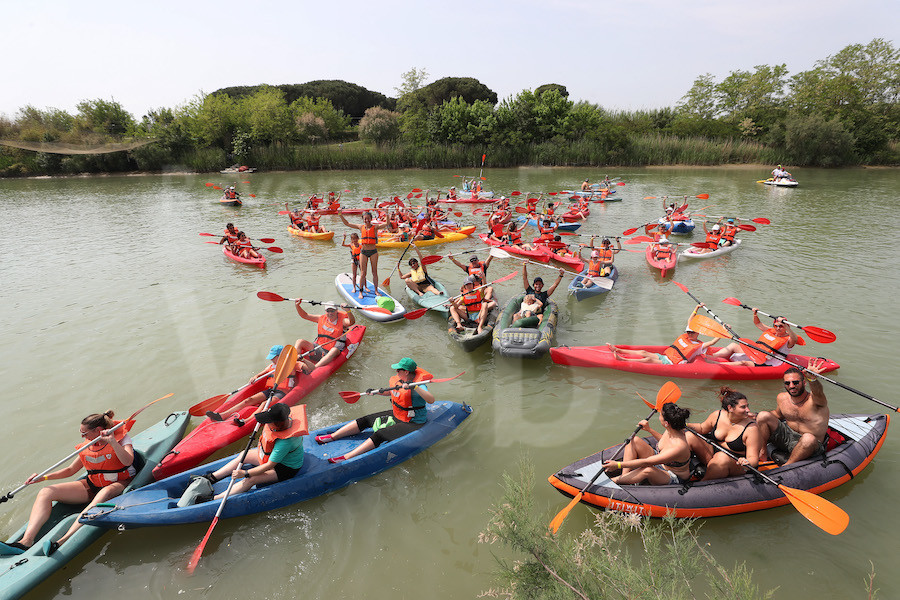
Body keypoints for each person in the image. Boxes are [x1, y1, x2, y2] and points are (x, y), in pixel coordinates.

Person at [7, 411, 136, 555]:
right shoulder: (89, 444)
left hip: (119, 482)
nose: (83, 437)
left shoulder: (122, 439)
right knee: (46, 492)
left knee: (104, 493)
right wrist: (43, 478)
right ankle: (25, 542)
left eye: (84, 433)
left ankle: (62, 541)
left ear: (98, 430)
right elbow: (70, 470)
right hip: (93, 484)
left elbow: (128, 461)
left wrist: (112, 442)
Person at [315, 358, 436, 463]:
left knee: (380, 434)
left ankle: (347, 457)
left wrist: (415, 387)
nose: (396, 372)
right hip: (398, 414)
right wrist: (376, 392)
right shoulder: (399, 380)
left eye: (398, 370)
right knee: (366, 420)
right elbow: (392, 392)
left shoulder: (420, 384)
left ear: (406, 372)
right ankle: (333, 436)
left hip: (413, 422)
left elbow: (431, 400)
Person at [194, 402, 307, 500]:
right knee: (245, 454)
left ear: (277, 424)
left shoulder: (285, 442)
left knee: (251, 479)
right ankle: (213, 477)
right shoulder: (285, 422)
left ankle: (215, 499)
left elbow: (269, 465)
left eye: (269, 421)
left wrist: (245, 473)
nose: (266, 423)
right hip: (276, 459)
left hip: (285, 468)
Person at [207, 345, 314, 423]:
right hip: (271, 390)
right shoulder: (271, 366)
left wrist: (301, 359)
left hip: (282, 393)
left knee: (264, 404)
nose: (271, 359)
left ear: (281, 356)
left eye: (273, 357)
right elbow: (260, 374)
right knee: (248, 400)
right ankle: (222, 415)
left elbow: (310, 368)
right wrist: (254, 377)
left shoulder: (293, 364)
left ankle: (246, 421)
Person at [755, 360, 830, 465]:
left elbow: (818, 392)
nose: (791, 386)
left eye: (795, 382)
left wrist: (812, 379)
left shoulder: (815, 401)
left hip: (810, 445)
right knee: (763, 415)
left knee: (808, 438)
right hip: (788, 437)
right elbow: (778, 415)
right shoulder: (782, 398)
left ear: (804, 383)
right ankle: (762, 451)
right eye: (787, 383)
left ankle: (787, 466)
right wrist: (754, 416)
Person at [601, 403, 695, 485]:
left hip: (673, 475)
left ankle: (613, 481)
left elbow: (647, 462)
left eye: (660, 415)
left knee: (648, 470)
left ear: (666, 423)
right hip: (661, 464)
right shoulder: (672, 429)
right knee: (634, 440)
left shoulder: (679, 447)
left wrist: (618, 465)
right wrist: (649, 429)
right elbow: (665, 442)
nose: (659, 416)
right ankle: (624, 477)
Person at [687, 387, 761, 479]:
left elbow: (753, 458)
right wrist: (685, 424)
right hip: (713, 454)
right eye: (743, 407)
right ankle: (679, 471)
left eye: (747, 406)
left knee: (721, 457)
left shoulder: (752, 428)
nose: (748, 410)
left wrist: (747, 462)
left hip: (735, 463)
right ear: (730, 408)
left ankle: (702, 484)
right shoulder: (717, 415)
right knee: (689, 436)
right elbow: (702, 428)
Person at [608, 306, 720, 365]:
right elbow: (689, 320)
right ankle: (618, 350)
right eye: (688, 332)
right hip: (666, 357)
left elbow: (713, 342)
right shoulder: (686, 337)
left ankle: (622, 359)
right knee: (643, 352)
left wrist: (723, 331)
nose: (689, 333)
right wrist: (696, 308)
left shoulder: (700, 346)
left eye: (691, 332)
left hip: (672, 363)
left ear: (697, 333)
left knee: (648, 359)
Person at [709, 311, 797, 366]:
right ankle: (710, 356)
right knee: (733, 345)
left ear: (786, 327)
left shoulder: (789, 339)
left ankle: (717, 364)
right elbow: (758, 324)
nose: (778, 328)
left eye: (781, 326)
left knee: (743, 363)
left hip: (770, 362)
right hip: (757, 354)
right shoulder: (772, 331)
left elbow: (794, 339)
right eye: (776, 326)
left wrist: (786, 326)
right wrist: (755, 314)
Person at [292, 299, 355, 368]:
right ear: (325, 311)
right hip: (319, 347)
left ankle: (314, 368)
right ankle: (294, 361)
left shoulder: (343, 321)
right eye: (328, 311)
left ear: (336, 311)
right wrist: (297, 305)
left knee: (334, 350)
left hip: (332, 351)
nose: (330, 313)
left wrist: (348, 310)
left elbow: (351, 322)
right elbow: (305, 315)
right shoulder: (321, 318)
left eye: (332, 310)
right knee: (300, 341)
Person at [340, 211, 386, 298]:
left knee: (374, 272)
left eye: (368, 218)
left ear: (371, 219)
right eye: (365, 219)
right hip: (364, 252)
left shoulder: (375, 227)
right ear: (363, 219)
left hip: (373, 252)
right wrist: (340, 214)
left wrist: (387, 213)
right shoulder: (361, 227)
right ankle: (361, 292)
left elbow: (386, 223)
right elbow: (347, 223)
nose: (367, 220)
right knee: (363, 273)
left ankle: (376, 290)